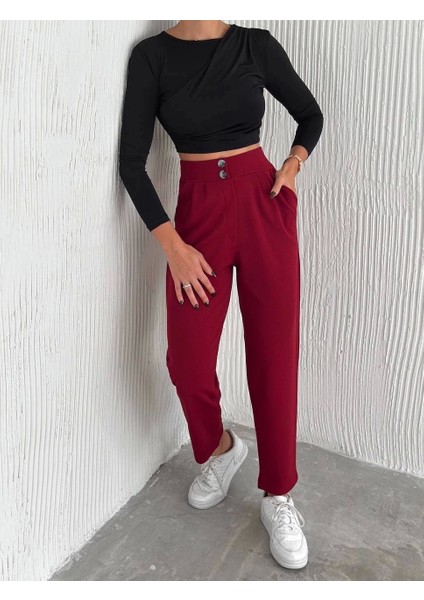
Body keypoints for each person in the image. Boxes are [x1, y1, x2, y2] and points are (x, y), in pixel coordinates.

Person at [118, 20, 323, 571]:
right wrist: (173, 247)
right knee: (186, 361)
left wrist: (292, 165)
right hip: (198, 218)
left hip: (263, 202)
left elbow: (310, 114)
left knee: (274, 356)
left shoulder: (256, 45)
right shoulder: (152, 57)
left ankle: (278, 494)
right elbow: (131, 163)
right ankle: (221, 449)